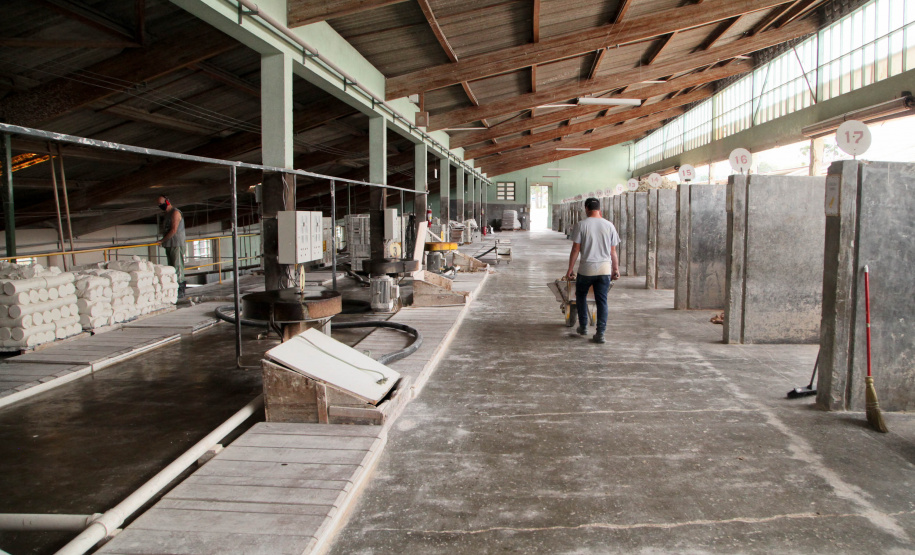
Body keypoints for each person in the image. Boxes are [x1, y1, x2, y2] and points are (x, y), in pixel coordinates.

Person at [566, 197, 620, 344]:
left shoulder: (581, 225)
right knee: (602, 300)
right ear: (599, 209)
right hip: (604, 269)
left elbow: (576, 249)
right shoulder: (609, 225)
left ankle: (583, 326)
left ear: (586, 209)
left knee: (581, 295)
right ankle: (600, 333)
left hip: (586, 269)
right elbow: (613, 251)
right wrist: (615, 269)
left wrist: (570, 269)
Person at [157, 195, 186, 297]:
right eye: (159, 204)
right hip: (169, 244)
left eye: (162, 203)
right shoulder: (167, 214)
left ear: (167, 202)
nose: (160, 205)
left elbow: (173, 230)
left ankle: (180, 289)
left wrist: (162, 240)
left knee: (177, 266)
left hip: (176, 244)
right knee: (171, 267)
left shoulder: (175, 213)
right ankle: (174, 288)